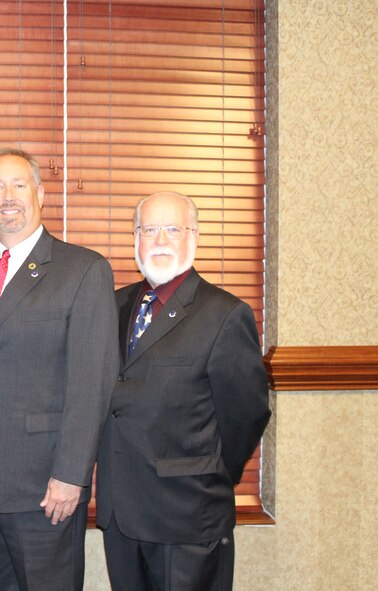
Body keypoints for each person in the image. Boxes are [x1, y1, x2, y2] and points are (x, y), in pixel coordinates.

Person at [0, 148, 118, 590]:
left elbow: (91, 384)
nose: (7, 196)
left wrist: (71, 474)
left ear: (39, 194)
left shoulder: (83, 270)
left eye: (18, 185)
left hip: (43, 488)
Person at [95, 191, 271, 591]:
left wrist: (205, 474)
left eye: (172, 229)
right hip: (121, 514)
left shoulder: (225, 315)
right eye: (149, 229)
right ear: (135, 239)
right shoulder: (114, 305)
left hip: (188, 514)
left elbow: (246, 416)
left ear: (194, 235)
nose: (159, 240)